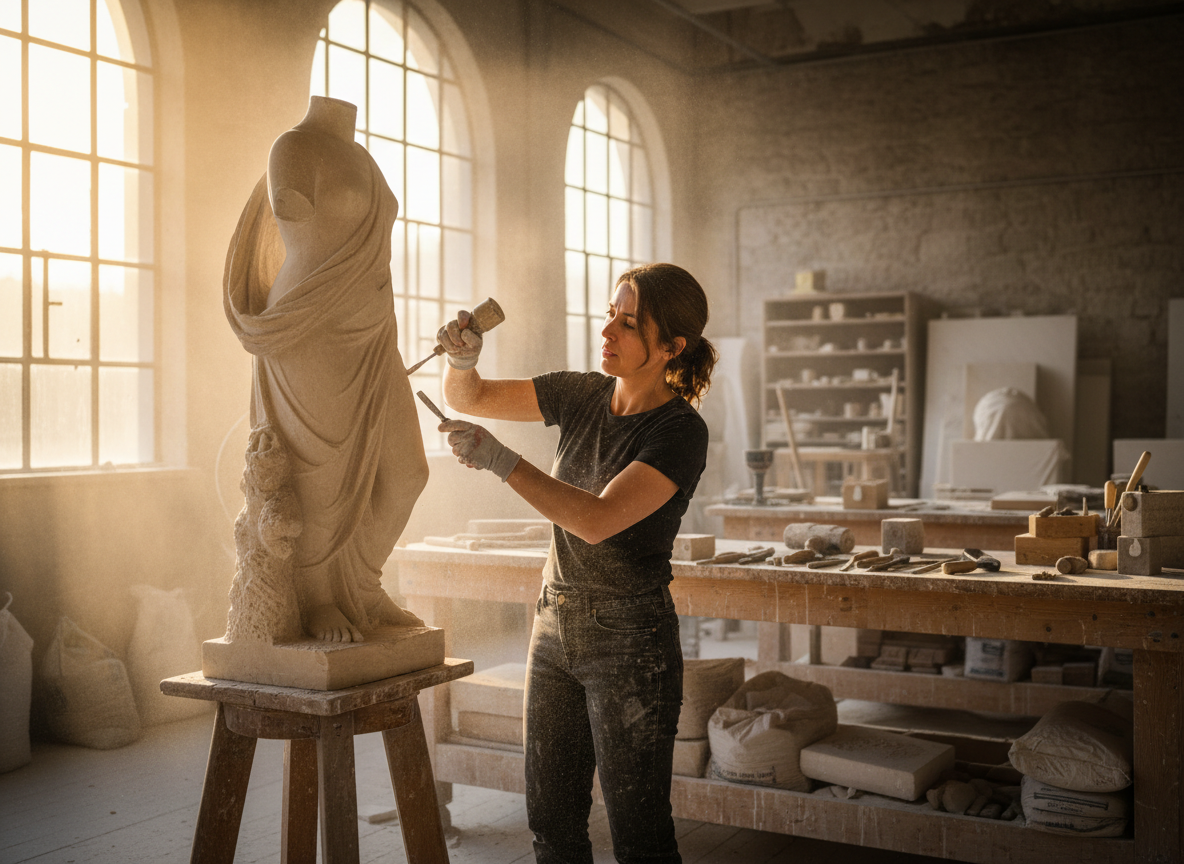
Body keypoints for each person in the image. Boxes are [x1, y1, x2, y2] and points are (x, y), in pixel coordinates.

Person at [437, 263, 716, 864]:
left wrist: (498, 459)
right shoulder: (581, 392)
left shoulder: (680, 431)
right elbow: (473, 398)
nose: (608, 329)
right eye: (611, 313)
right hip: (554, 624)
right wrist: (462, 361)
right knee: (553, 827)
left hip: (631, 642)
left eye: (629, 321)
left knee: (640, 838)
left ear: (673, 346)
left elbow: (595, 520)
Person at [224, 96, 428, 644]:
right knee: (319, 474)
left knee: (409, 472)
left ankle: (362, 583)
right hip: (309, 326)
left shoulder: (363, 158)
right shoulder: (294, 147)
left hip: (372, 329)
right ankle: (316, 596)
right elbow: (297, 221)